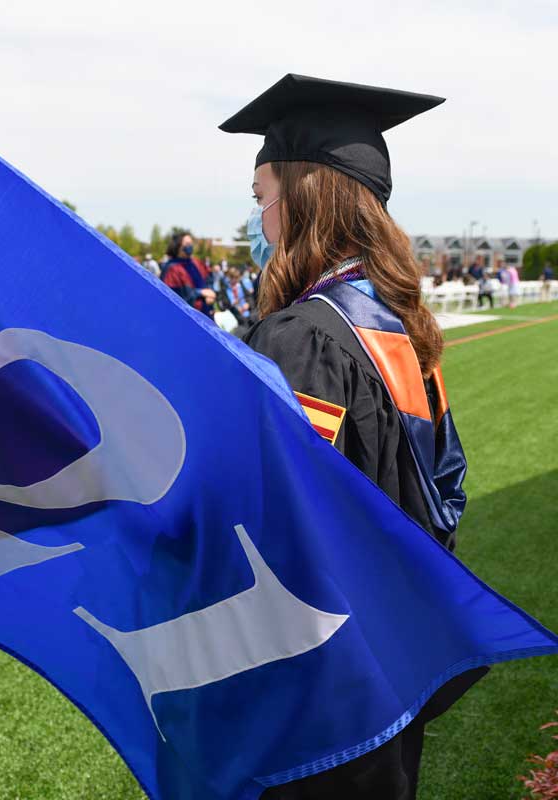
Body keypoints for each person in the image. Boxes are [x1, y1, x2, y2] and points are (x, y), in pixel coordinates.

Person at [220, 72, 484, 799]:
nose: (257, 221)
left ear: (303, 197)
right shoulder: (396, 326)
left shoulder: (304, 340)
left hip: (323, 695)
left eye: (261, 198)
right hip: (393, 656)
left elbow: (276, 523)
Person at [160, 232, 215, 315]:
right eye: (187, 244)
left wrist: (211, 295)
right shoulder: (172, 269)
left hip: (206, 313)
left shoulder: (197, 263)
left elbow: (209, 280)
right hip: (188, 316)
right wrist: (200, 293)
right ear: (178, 246)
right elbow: (175, 296)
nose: (190, 246)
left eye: (191, 243)